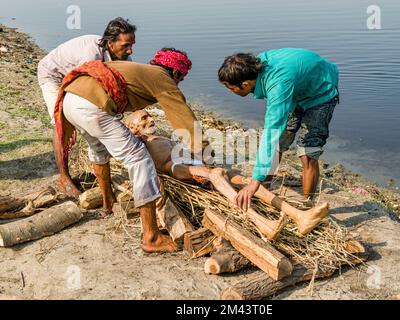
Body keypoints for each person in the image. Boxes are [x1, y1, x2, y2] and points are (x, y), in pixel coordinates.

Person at [54, 48, 205, 253]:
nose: (180, 82)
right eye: (182, 77)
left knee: (98, 149)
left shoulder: (143, 71)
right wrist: (204, 152)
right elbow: (184, 118)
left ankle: (108, 203)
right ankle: (151, 236)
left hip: (71, 100)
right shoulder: (162, 78)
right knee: (140, 159)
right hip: (92, 105)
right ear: (176, 73)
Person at [125, 109, 330, 239]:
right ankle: (261, 222)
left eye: (150, 115)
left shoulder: (157, 136)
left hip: (191, 162)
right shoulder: (140, 143)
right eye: (144, 117)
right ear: (133, 126)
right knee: (215, 175)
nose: (150, 118)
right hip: (176, 167)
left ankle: (299, 215)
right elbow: (146, 165)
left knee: (249, 182)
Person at [218, 48, 339, 211]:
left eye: (230, 87)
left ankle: (306, 206)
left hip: (321, 92)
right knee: (278, 145)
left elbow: (271, 131)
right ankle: (263, 189)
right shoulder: (253, 68)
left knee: (308, 152)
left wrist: (253, 181)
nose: (228, 91)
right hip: (296, 90)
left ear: (245, 84)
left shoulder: (277, 85)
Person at [37, 17, 137, 196]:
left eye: (132, 44)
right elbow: (84, 92)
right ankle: (64, 178)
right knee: (62, 123)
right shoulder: (90, 55)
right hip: (54, 76)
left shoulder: (124, 56)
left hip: (77, 79)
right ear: (110, 42)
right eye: (125, 45)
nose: (130, 50)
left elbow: (126, 83)